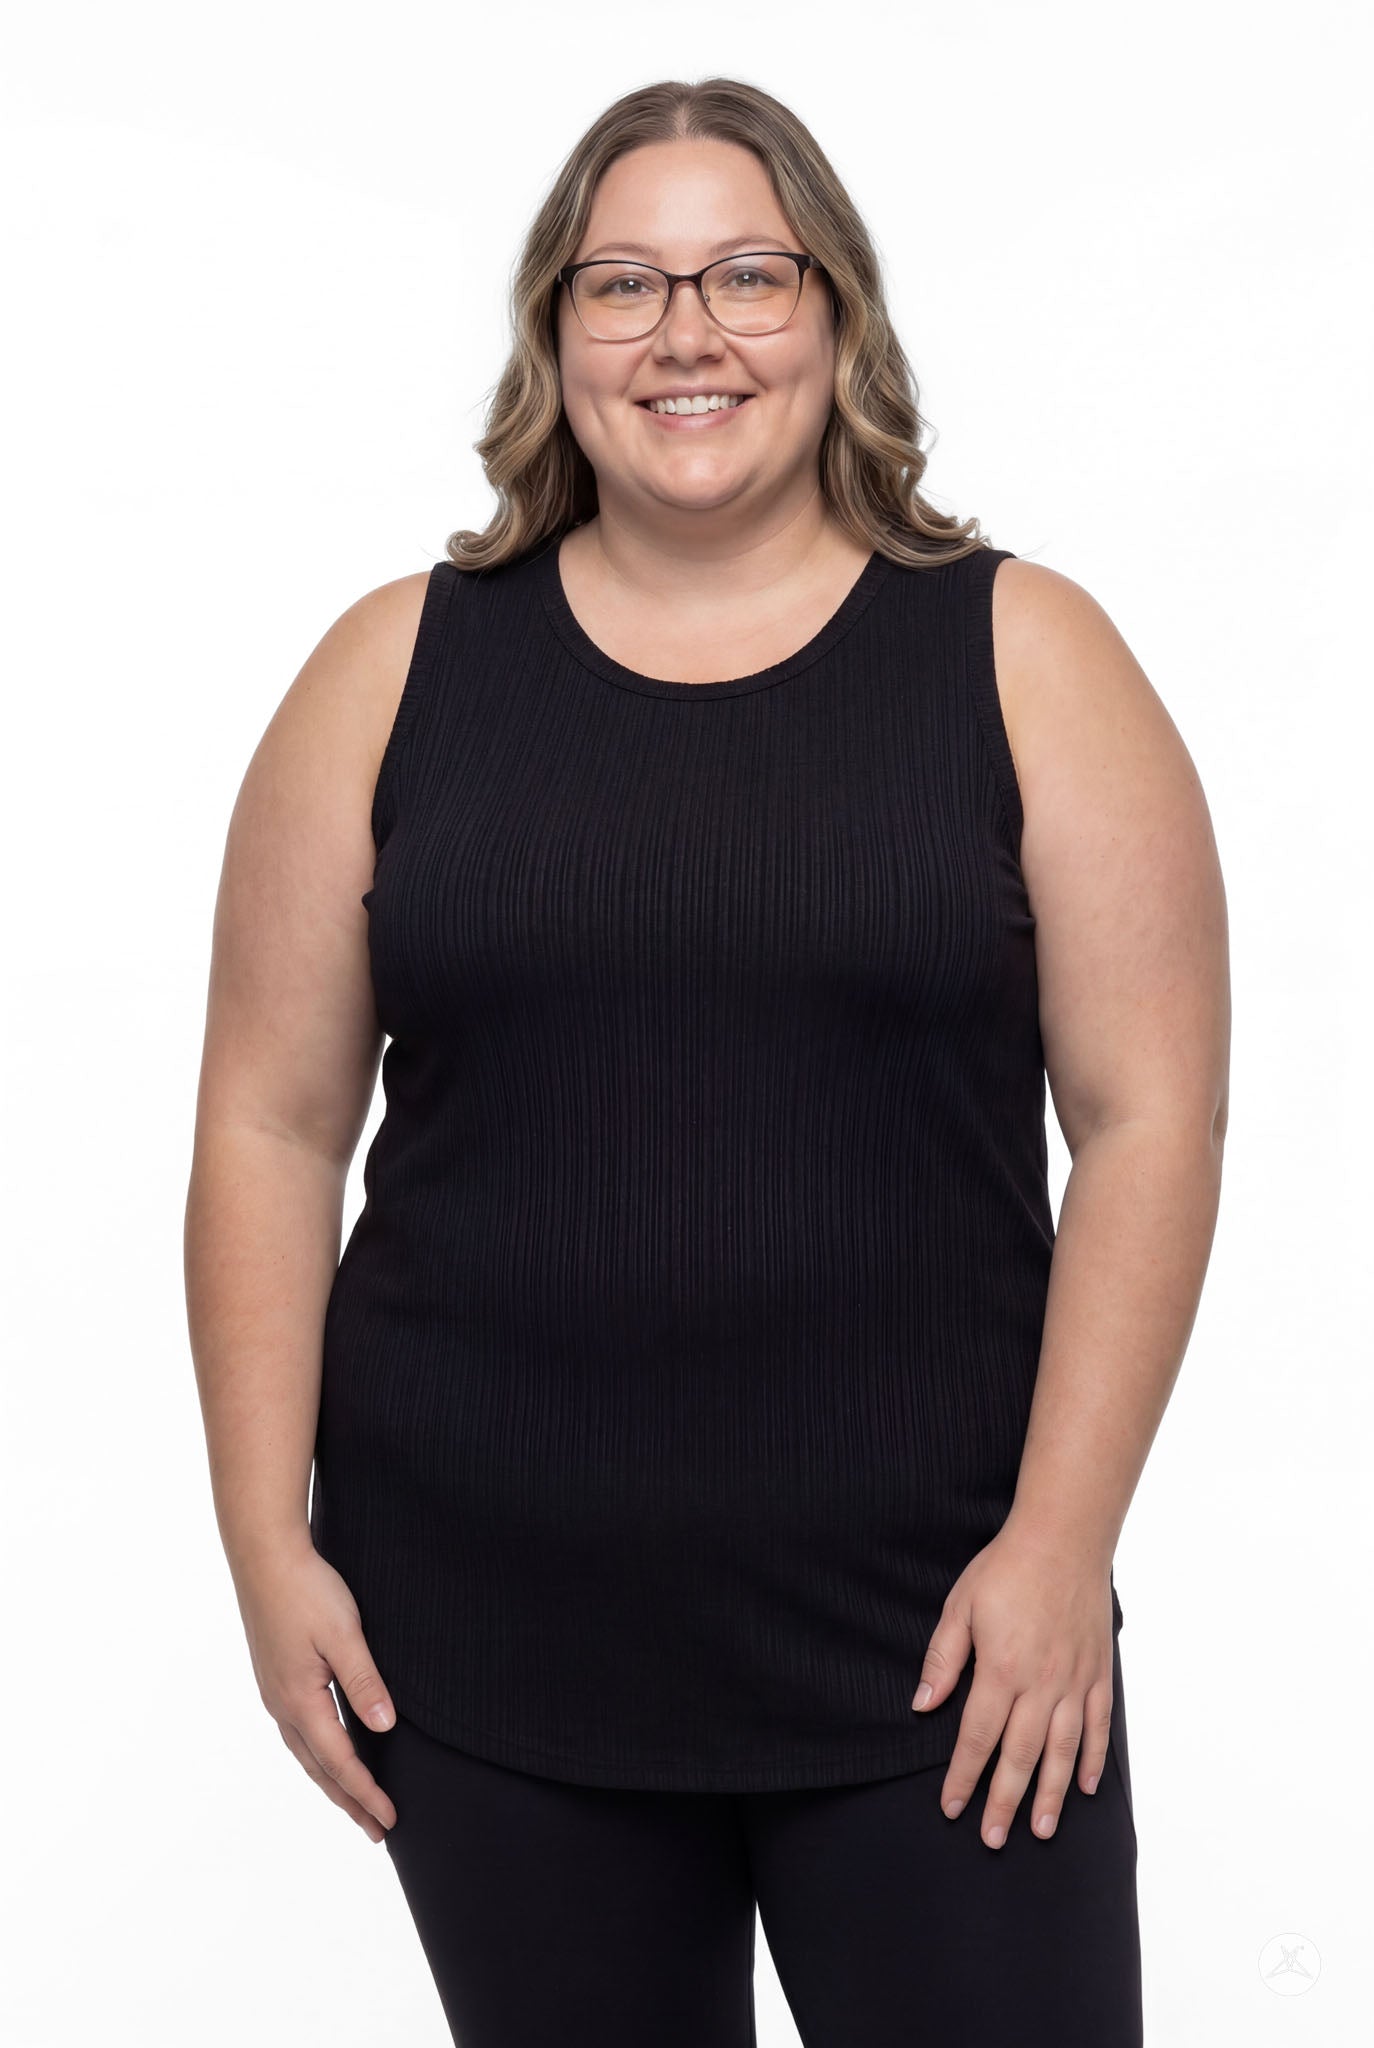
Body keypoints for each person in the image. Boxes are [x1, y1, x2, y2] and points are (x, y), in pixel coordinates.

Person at [185, 75, 1229, 2047]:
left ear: (836, 317)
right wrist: (265, 1538)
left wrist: (1061, 1546)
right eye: (624, 285)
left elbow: (1150, 1118)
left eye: (749, 274)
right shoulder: (390, 672)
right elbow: (269, 1119)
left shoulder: (1025, 655)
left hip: (945, 1649)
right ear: (551, 335)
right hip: (488, 1653)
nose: (689, 334)